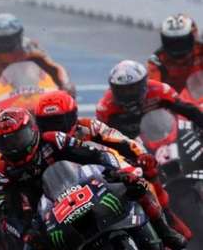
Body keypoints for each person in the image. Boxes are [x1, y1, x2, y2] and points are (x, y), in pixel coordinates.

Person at [0, 107, 186, 250]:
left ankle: (164, 230)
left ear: (32, 131)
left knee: (136, 183)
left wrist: (117, 171)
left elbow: (93, 154)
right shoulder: (1, 174)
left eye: (18, 138)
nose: (14, 146)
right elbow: (8, 214)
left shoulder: (53, 140)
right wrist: (26, 233)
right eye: (6, 142)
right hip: (46, 215)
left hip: (84, 186)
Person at [36, 90, 193, 240]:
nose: (54, 129)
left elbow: (122, 141)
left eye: (57, 122)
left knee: (142, 175)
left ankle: (165, 223)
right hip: (66, 191)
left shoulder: (88, 127)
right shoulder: (37, 145)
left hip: (102, 173)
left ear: (72, 117)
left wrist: (141, 156)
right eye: (47, 124)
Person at [0, 13, 73, 101]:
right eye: (0, 39)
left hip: (29, 93)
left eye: (9, 38)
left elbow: (52, 68)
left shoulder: (30, 47)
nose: (5, 43)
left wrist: (64, 84)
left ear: (19, 35)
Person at [96, 60, 203, 138]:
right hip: (128, 146)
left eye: (132, 89)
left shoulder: (161, 90)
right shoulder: (105, 107)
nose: (128, 94)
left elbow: (190, 111)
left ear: (143, 84)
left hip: (163, 137)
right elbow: (103, 137)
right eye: (122, 90)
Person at [147, 14, 203, 93]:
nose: (178, 47)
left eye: (183, 42)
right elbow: (153, 88)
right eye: (172, 43)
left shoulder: (201, 52)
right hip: (173, 102)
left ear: (193, 37)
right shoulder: (156, 61)